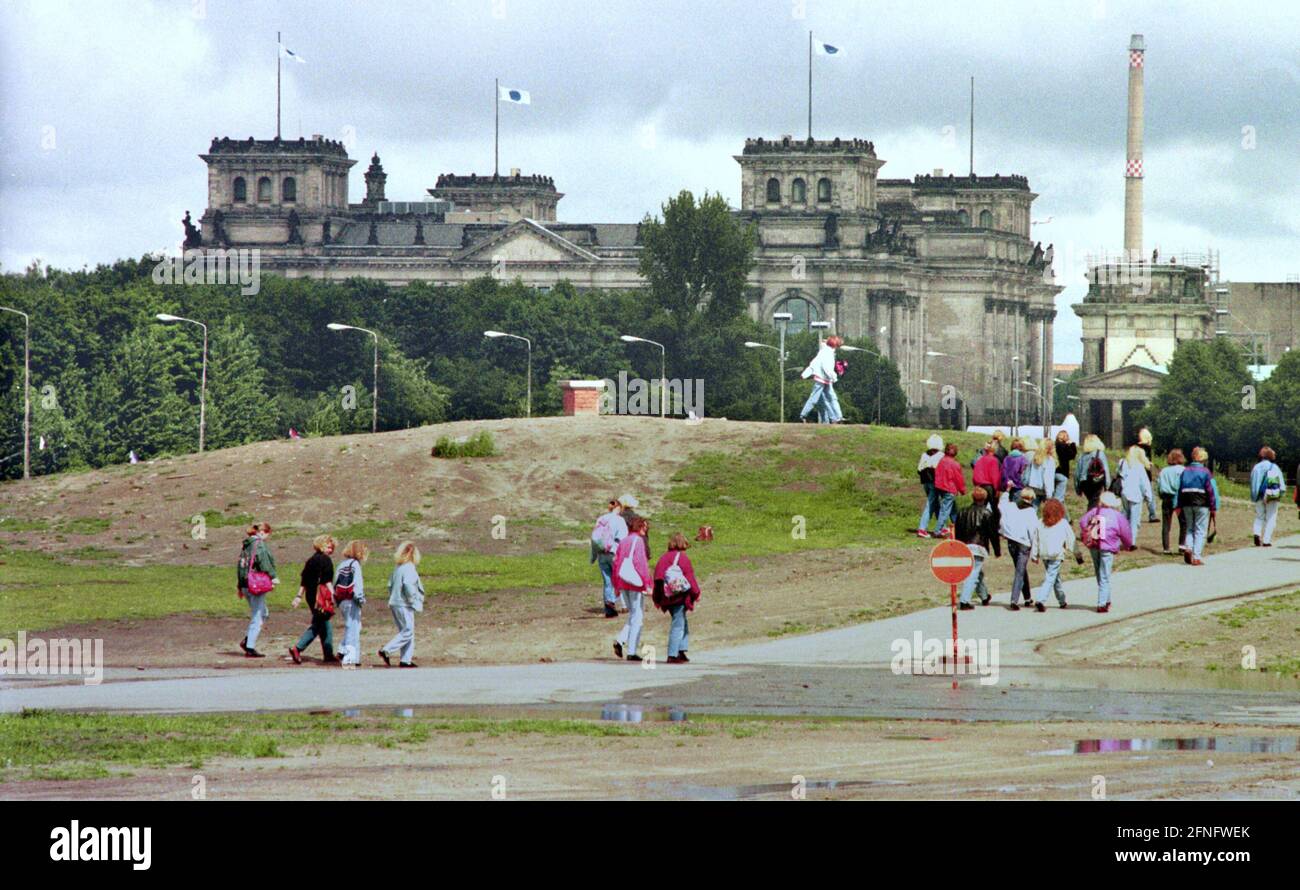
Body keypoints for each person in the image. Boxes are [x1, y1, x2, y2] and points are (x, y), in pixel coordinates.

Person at [652, 532, 702, 663]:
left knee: (682, 622)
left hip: (666, 595)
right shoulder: (683, 558)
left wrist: (657, 598)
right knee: (678, 624)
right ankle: (673, 654)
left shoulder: (663, 558)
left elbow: (657, 578)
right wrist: (696, 593)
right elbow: (690, 577)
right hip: (679, 596)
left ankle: (681, 650)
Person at [1079, 491, 1133, 613]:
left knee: (1099, 573)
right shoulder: (1117, 515)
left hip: (1094, 544)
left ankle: (1106, 599)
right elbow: (1125, 532)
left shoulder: (1095, 511)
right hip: (1107, 547)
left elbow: (1082, 522)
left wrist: (1088, 530)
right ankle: (1102, 603)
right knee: (1105, 575)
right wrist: (1128, 544)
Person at [289, 535, 337, 665]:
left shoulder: (310, 560)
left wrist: (298, 596)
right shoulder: (326, 560)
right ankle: (298, 648)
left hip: (310, 595)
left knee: (324, 623)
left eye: (332, 547)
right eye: (328, 547)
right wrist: (334, 594)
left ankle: (328, 653)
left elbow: (304, 580)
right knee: (318, 624)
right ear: (321, 545)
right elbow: (326, 580)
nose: (331, 550)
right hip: (321, 596)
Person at [380, 541, 426, 667]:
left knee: (405, 631)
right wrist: (412, 600)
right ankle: (387, 650)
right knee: (408, 631)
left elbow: (389, 585)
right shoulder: (409, 568)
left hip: (395, 602)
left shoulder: (397, 568)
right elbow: (408, 585)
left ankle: (406, 659)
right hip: (404, 603)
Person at [612, 515, 652, 661]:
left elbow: (616, 563)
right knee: (638, 616)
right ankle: (632, 650)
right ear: (640, 527)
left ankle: (621, 640)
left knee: (633, 615)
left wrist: (616, 584)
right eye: (645, 528)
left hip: (623, 581)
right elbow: (640, 563)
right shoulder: (638, 541)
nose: (645, 531)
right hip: (635, 582)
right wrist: (647, 583)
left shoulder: (624, 541)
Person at [236, 522, 278, 658]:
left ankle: (248, 640)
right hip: (255, 584)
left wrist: (239, 586)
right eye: (267, 534)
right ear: (262, 532)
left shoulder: (246, 545)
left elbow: (241, 566)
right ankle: (250, 647)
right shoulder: (259, 544)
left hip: (245, 583)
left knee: (264, 613)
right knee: (258, 615)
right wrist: (273, 577)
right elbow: (264, 562)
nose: (267, 537)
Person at [955, 487, 1000, 609]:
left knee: (977, 572)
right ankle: (964, 601)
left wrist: (957, 547)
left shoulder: (962, 512)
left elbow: (957, 531)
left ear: (973, 497)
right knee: (973, 573)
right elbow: (993, 534)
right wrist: (997, 550)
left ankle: (984, 596)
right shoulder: (987, 513)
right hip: (978, 546)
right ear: (985, 498)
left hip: (964, 546)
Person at [1030, 498, 1075, 611]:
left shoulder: (1040, 523)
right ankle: (1041, 599)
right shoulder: (1063, 523)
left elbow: (1035, 540)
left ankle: (1062, 600)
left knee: (1055, 577)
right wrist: (1074, 552)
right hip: (1056, 554)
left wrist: (1034, 554)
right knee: (1050, 577)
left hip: (1044, 554)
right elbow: (1071, 538)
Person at [1175, 447, 1216, 566]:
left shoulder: (1185, 471)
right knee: (1200, 530)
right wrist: (1213, 507)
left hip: (1187, 502)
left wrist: (1178, 505)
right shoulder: (1205, 472)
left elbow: (1180, 488)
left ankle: (1188, 548)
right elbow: (1210, 491)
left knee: (1189, 528)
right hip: (1202, 503)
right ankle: (1197, 557)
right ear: (1203, 458)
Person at [999, 486, 1038, 609]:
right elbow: (1033, 533)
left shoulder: (1011, 506)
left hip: (1011, 542)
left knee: (1021, 569)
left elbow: (1001, 504)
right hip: (1024, 544)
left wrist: (1006, 490)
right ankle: (1014, 600)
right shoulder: (1031, 512)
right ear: (1031, 498)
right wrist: (1035, 552)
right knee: (1020, 571)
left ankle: (1027, 597)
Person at [590, 497, 629, 617]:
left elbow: (595, 538)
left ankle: (609, 607)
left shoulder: (601, 519)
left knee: (607, 581)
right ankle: (624, 605)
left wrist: (593, 556)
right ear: (619, 508)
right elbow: (623, 539)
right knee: (618, 579)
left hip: (601, 553)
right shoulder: (619, 520)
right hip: (614, 552)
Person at [333, 540, 368, 669]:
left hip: (342, 600)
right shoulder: (356, 565)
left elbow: (335, 582)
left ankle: (346, 653)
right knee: (353, 628)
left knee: (354, 626)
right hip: (352, 600)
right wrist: (361, 599)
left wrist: (336, 600)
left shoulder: (341, 564)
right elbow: (357, 585)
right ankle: (349, 658)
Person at [1116, 444, 1156, 549]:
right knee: (1135, 520)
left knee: (1125, 517)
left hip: (1124, 493)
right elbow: (1144, 484)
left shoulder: (1122, 462)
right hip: (1136, 495)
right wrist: (1149, 498)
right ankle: (1131, 542)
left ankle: (1120, 538)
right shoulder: (1139, 466)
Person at [799, 336, 841, 423]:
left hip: (824, 380)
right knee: (818, 398)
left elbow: (813, 364)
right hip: (823, 380)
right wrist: (834, 377)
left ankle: (837, 417)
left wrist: (805, 374)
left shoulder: (823, 351)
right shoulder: (828, 353)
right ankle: (803, 414)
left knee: (829, 399)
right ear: (835, 345)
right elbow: (826, 368)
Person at [1249, 446, 1286, 547]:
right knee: (1271, 517)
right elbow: (1281, 485)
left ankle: (1257, 534)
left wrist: (1254, 496)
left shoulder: (1256, 467)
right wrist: (1280, 494)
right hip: (1271, 496)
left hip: (1258, 496)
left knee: (1259, 516)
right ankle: (1266, 541)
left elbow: (1252, 483)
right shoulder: (1274, 467)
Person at [1157, 449, 1188, 554]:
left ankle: (1166, 548)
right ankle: (1182, 546)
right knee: (1183, 522)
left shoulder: (1164, 471)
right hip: (1178, 498)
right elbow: (1178, 485)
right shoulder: (1183, 470)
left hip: (1166, 497)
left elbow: (1159, 485)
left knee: (1166, 523)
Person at [932, 442, 967, 537]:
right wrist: (963, 490)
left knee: (953, 509)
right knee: (945, 510)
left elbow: (937, 474)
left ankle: (959, 527)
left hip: (941, 487)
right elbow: (958, 479)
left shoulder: (941, 461)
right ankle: (938, 531)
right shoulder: (955, 464)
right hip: (950, 488)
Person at [915, 434, 945, 538]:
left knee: (935, 503)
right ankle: (922, 528)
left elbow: (919, 469)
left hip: (925, 482)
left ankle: (942, 526)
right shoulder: (941, 455)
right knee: (931, 505)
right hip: (934, 483)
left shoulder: (924, 455)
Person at [1074, 433, 1110, 510]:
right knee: (1093, 503)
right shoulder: (1100, 454)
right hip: (1096, 481)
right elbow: (1106, 470)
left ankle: (1091, 517)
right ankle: (1090, 518)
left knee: (1092, 501)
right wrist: (1107, 486)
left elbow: (1077, 473)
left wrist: (1078, 488)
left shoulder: (1082, 456)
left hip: (1085, 483)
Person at [1024, 438, 1057, 511]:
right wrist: (1049, 494)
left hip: (1033, 487)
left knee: (1031, 509)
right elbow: (1048, 478)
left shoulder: (1035, 458)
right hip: (1043, 489)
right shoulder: (1049, 460)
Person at [1053, 429, 1077, 503]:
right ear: (1063, 437)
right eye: (1067, 436)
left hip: (1054, 471)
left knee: (1055, 491)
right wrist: (1072, 444)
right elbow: (1072, 455)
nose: (1068, 437)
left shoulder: (1055, 445)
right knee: (1059, 496)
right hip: (1062, 472)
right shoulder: (1064, 446)